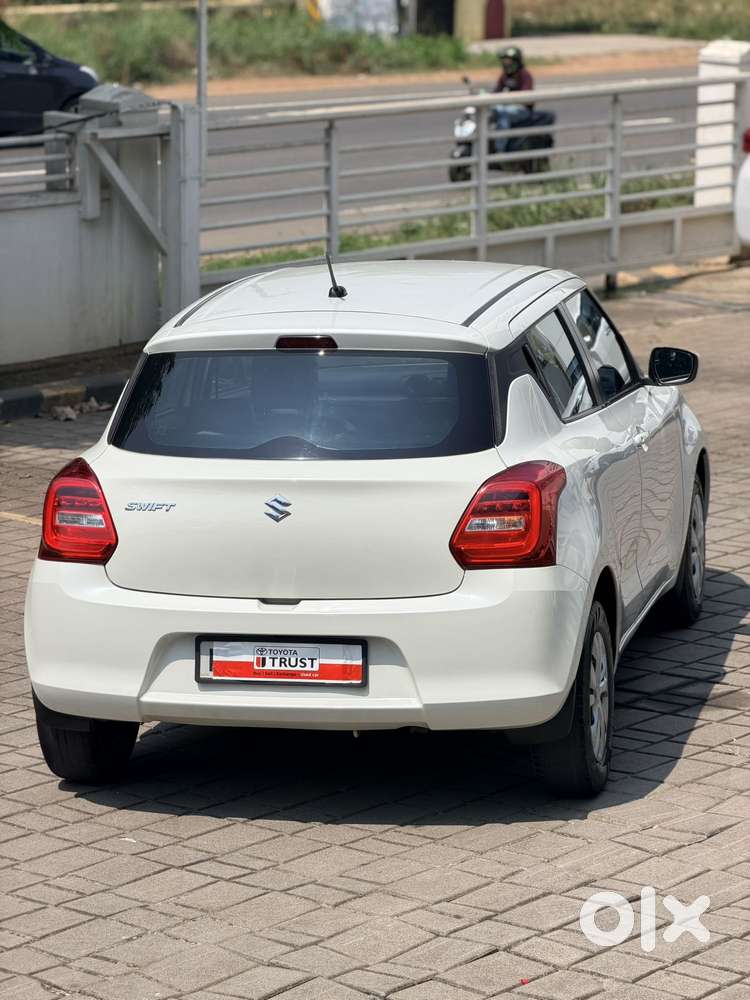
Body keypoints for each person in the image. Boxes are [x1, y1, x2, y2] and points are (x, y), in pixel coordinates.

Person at [492, 46, 534, 152]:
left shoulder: (524, 75)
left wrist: (508, 99)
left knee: (503, 115)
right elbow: (496, 91)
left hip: (522, 109)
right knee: (492, 111)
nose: (506, 63)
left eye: (508, 61)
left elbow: (525, 96)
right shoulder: (504, 76)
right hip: (506, 107)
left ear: (516, 61)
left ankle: (499, 151)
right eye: (504, 61)